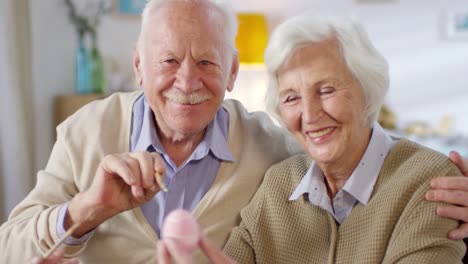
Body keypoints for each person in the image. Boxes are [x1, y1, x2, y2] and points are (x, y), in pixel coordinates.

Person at [1, 0, 468, 263]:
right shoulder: (87, 130)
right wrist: (85, 211)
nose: (187, 80)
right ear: (139, 67)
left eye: (207, 61)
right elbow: (10, 248)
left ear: (231, 73)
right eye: (168, 61)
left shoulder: (273, 152)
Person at [157, 14, 467, 263]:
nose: (310, 114)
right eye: (291, 98)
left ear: (367, 90)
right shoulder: (278, 186)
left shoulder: (429, 182)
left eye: (327, 90)